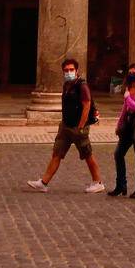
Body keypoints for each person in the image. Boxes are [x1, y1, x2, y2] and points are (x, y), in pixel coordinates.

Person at [25, 57, 106, 193]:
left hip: (78, 127)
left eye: (71, 70)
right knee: (57, 153)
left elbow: (87, 106)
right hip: (66, 126)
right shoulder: (67, 85)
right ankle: (43, 183)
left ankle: (98, 182)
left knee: (87, 154)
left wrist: (81, 126)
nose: (69, 72)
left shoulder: (82, 86)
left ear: (77, 70)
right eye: (66, 70)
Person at [110, 63, 135, 199]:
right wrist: (119, 124)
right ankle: (121, 184)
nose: (132, 74)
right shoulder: (129, 87)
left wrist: (127, 97)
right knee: (118, 154)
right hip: (128, 124)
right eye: (130, 72)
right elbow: (125, 109)